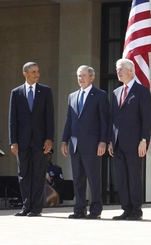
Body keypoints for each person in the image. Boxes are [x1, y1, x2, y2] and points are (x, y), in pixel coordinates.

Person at [61, 65, 110, 220]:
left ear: (91, 77)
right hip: (75, 145)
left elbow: (105, 121)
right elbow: (69, 121)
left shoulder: (100, 95)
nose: (80, 78)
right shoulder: (72, 96)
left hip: (93, 145)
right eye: (78, 76)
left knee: (93, 179)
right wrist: (64, 140)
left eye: (83, 75)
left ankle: (95, 209)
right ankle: (79, 209)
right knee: (78, 180)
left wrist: (103, 142)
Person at [108, 58, 151, 221]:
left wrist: (144, 140)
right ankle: (126, 209)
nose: (118, 72)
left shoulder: (142, 91)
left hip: (135, 142)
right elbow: (113, 119)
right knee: (121, 177)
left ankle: (136, 210)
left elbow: (146, 118)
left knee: (134, 176)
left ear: (131, 71)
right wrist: (110, 141)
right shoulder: (116, 92)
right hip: (118, 142)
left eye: (121, 69)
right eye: (117, 69)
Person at [9, 61, 54, 217]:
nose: (37, 74)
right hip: (22, 142)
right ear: (25, 74)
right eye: (33, 72)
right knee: (24, 174)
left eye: (38, 71)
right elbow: (12, 119)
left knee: (38, 174)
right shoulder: (16, 93)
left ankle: (36, 208)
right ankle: (26, 206)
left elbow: (50, 117)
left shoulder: (45, 91)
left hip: (40, 141)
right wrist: (13, 141)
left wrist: (49, 138)